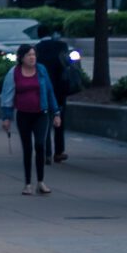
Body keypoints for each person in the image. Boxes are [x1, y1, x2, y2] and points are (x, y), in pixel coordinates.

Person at [0, 42, 59, 194]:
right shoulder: (14, 73)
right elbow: (7, 95)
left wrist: (56, 113)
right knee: (27, 148)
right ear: (21, 57)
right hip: (23, 115)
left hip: (41, 113)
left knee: (40, 145)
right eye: (29, 55)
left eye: (34, 55)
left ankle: (41, 181)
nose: (32, 58)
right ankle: (27, 184)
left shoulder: (41, 70)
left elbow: (50, 91)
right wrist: (6, 117)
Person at [34, 25, 77, 164]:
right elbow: (69, 63)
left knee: (44, 120)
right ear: (52, 33)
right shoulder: (61, 45)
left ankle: (47, 153)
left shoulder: (36, 49)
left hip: (43, 89)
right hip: (60, 89)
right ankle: (59, 152)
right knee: (59, 120)